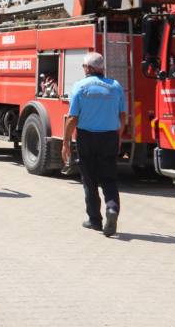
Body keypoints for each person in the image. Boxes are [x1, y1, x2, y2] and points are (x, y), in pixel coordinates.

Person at [62, 51, 127, 237]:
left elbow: (73, 117)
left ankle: (95, 220)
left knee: (89, 180)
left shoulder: (80, 87)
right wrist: (118, 135)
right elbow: (123, 116)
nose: (83, 69)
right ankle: (112, 208)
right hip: (109, 137)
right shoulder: (116, 87)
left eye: (83, 66)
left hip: (87, 138)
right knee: (109, 178)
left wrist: (66, 143)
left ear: (89, 68)